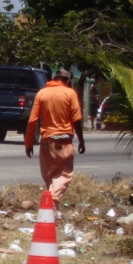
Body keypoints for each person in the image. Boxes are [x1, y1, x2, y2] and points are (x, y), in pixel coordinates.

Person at [24, 68, 85, 208]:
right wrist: (81, 141)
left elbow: (32, 120)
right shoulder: (70, 93)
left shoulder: (42, 93)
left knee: (50, 177)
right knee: (63, 174)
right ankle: (50, 203)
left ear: (53, 79)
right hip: (63, 142)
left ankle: (49, 211)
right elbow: (77, 120)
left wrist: (29, 143)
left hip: (46, 141)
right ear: (67, 81)